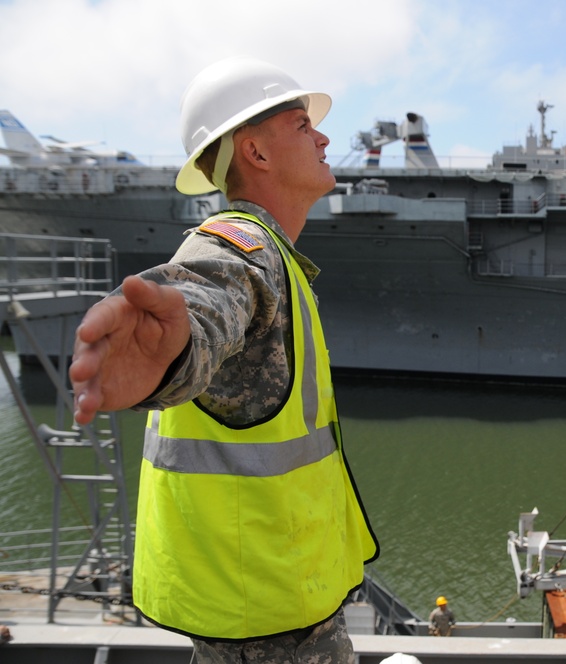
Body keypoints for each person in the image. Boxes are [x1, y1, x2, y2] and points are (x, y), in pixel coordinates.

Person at [69, 56, 378, 663]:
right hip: (271, 620)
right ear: (255, 153)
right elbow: (210, 295)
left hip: (254, 605)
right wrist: (177, 346)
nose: (324, 136)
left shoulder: (274, 255)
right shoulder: (240, 247)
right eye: (300, 124)